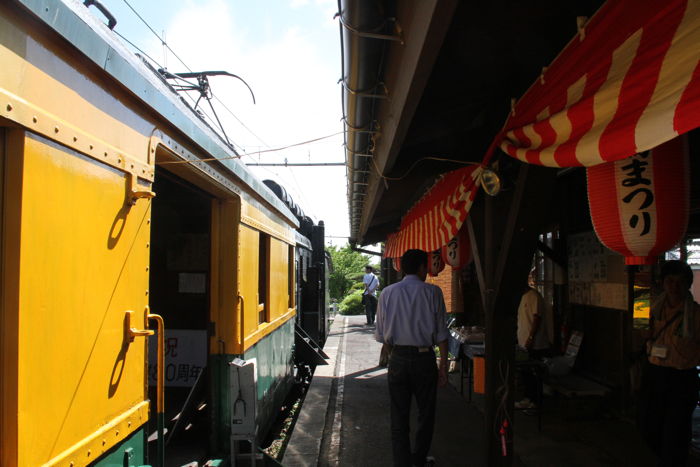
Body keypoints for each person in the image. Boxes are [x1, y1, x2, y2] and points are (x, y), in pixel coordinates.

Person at [375, 249, 449, 467]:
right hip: (424, 359)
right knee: (426, 415)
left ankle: (402, 462)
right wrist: (443, 366)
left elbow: (382, 334)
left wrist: (389, 355)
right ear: (421, 268)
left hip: (397, 358)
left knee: (398, 415)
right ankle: (418, 460)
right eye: (426, 266)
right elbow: (442, 334)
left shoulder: (387, 293)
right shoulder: (433, 292)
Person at [640, 260, 700, 467]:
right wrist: (642, 330)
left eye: (680, 282)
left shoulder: (696, 313)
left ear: (688, 284)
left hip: (683, 377)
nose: (675, 286)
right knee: (649, 426)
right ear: (662, 283)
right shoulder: (649, 306)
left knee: (676, 431)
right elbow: (638, 332)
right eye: (670, 281)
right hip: (655, 373)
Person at [515, 271, 553, 409]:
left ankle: (535, 401)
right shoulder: (522, 297)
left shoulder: (534, 296)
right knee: (526, 373)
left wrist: (531, 337)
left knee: (533, 373)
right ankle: (528, 398)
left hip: (535, 343)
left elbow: (537, 318)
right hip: (524, 342)